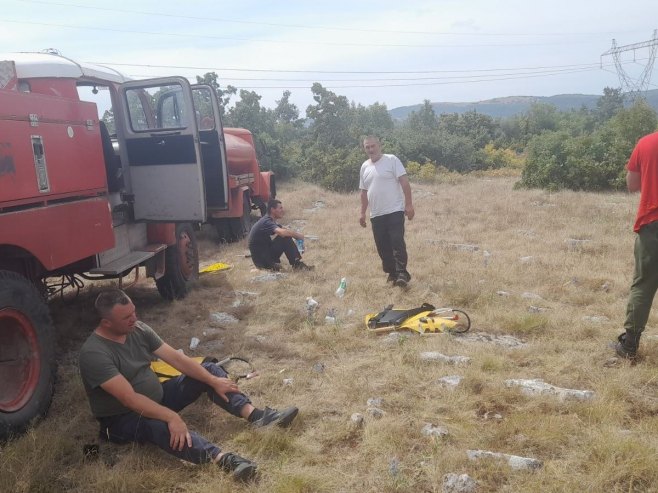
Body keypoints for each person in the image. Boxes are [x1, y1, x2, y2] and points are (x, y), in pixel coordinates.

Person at [79, 289, 299, 481]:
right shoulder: (94, 354)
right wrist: (171, 417)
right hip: (122, 418)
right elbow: (130, 399)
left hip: (158, 397)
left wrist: (213, 381)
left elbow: (176, 359)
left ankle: (257, 416)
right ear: (105, 323)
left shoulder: (137, 328)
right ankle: (223, 460)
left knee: (208, 370)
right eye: (126, 317)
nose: (134, 319)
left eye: (134, 312)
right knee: (158, 426)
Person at [615, 130, 658, 360]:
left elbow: (632, 185)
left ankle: (629, 345)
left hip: (653, 224)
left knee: (643, 285)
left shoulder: (646, 143)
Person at [359, 136, 415, 287]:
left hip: (394, 210)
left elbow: (404, 182)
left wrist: (409, 205)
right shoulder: (364, 166)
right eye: (367, 147)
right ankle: (392, 273)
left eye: (373, 146)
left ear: (379, 145)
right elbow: (364, 192)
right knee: (382, 246)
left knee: (397, 241)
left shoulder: (391, 160)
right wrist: (362, 213)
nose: (371, 149)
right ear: (364, 149)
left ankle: (402, 273)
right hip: (376, 214)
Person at [248, 199, 313, 271]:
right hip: (262, 261)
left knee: (286, 235)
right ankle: (297, 265)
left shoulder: (269, 221)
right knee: (284, 237)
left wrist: (299, 241)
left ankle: (294, 264)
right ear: (272, 210)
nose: (283, 210)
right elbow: (283, 233)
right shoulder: (266, 221)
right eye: (280, 208)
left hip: (264, 257)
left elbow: (284, 230)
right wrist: (298, 236)